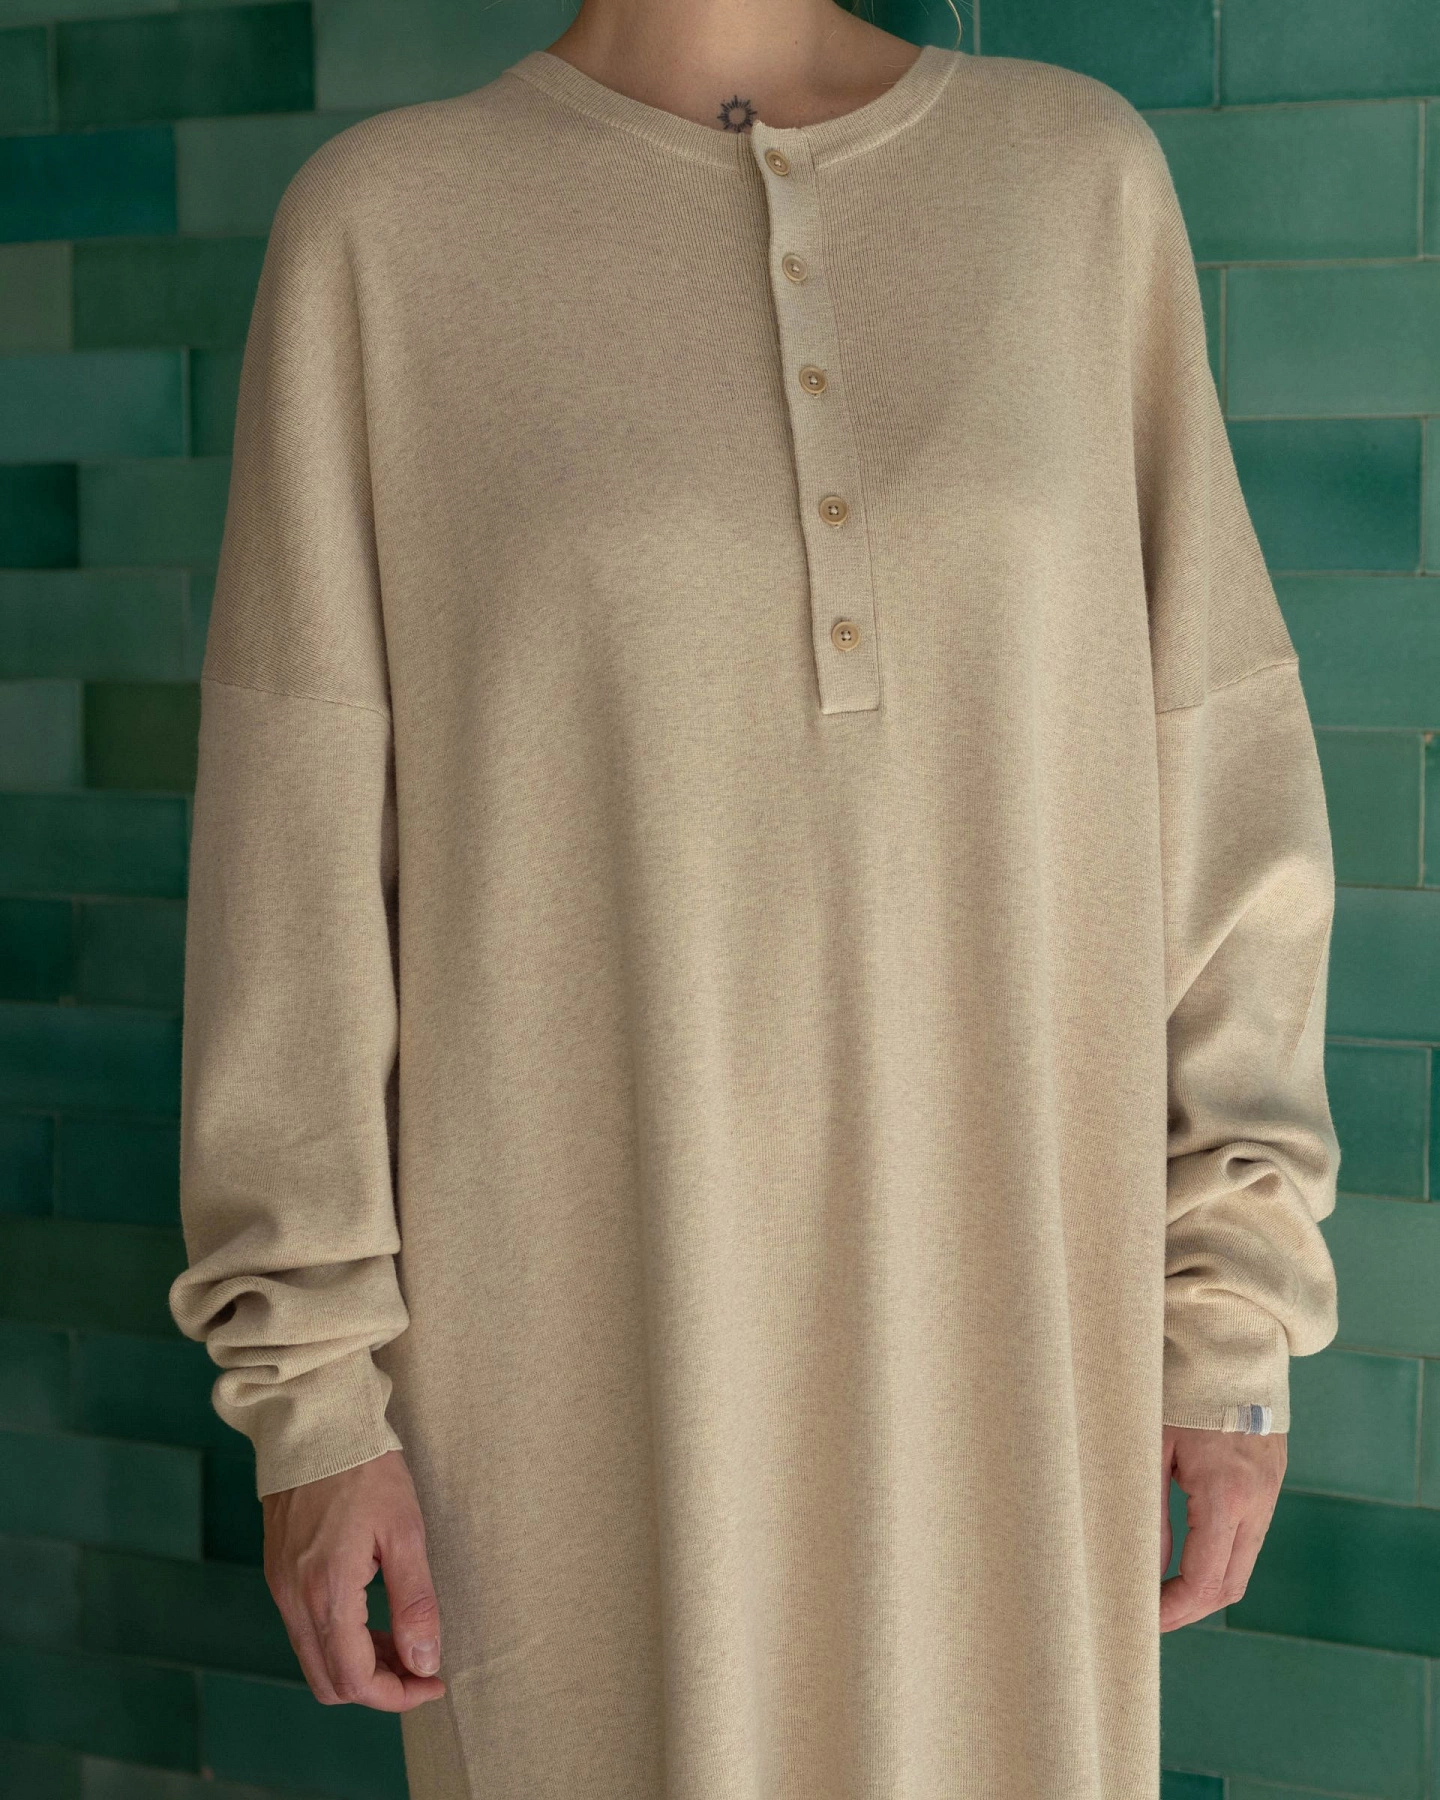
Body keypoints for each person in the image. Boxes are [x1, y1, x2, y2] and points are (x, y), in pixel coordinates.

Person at [168, 2, 1342, 1795]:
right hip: (577, 1398)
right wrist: (311, 1404)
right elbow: (292, 864)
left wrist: (1231, 1331)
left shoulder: (1074, 182)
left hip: (1023, 1375)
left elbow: (1230, 784)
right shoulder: (381, 232)